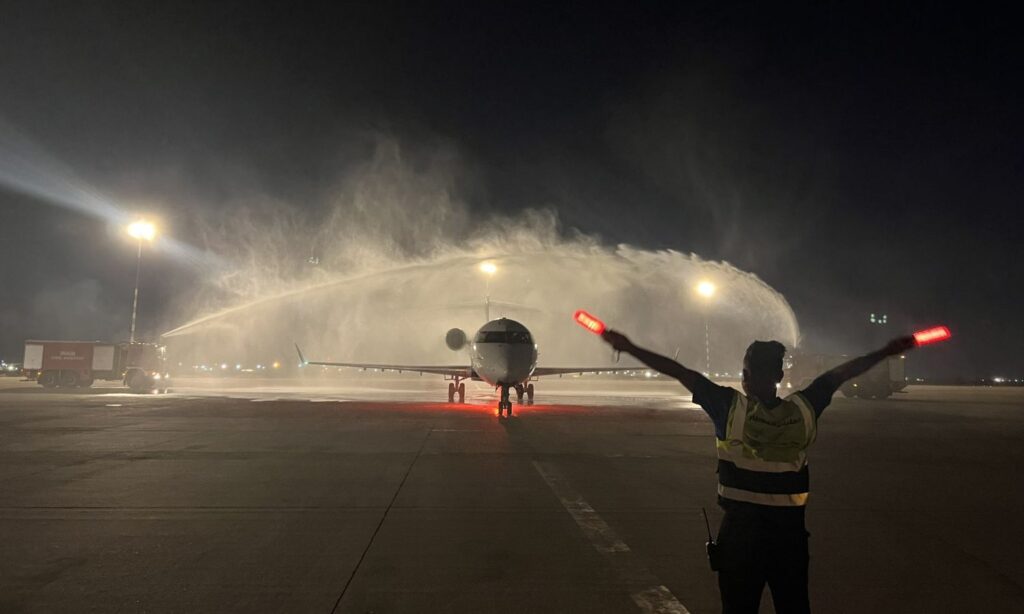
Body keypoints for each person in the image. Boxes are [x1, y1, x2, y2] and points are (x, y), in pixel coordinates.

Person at [601, 330, 917, 614]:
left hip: (741, 538)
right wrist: (885, 352)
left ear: (745, 375)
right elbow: (838, 376)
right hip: (790, 539)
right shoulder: (803, 410)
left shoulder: (729, 407)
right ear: (780, 374)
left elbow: (679, 371)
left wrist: (629, 346)